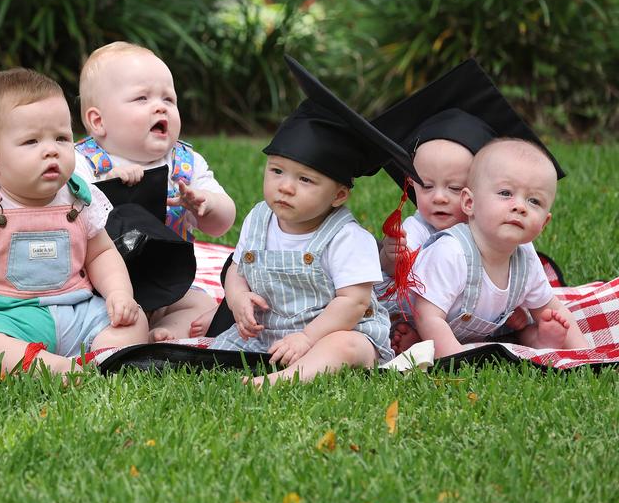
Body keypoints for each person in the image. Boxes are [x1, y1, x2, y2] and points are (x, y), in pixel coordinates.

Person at [0, 68, 147, 375]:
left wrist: (119, 294)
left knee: (135, 319)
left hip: (75, 310)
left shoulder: (79, 199)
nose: (51, 149)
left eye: (62, 138)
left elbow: (102, 253)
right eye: (31, 141)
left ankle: (103, 353)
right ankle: (50, 367)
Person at [210, 57, 407, 385]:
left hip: (337, 330)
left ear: (339, 195)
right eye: (276, 171)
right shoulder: (260, 218)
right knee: (219, 351)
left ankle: (287, 379)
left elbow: (354, 302)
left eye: (305, 180)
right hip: (271, 333)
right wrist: (238, 297)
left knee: (346, 346)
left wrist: (308, 337)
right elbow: (236, 268)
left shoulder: (346, 237)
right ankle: (279, 362)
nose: (285, 186)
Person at [371, 59, 568, 352]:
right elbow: (390, 275)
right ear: (411, 184)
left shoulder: (499, 233)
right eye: (427, 185)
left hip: (474, 316)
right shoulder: (420, 230)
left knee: (517, 320)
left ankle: (532, 336)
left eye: (454, 187)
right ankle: (416, 338)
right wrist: (391, 256)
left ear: (472, 194)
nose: (439, 198)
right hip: (425, 314)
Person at [74, 42, 236, 341]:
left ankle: (166, 331)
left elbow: (222, 223)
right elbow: (65, 215)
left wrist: (206, 204)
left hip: (167, 286)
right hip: (101, 289)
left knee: (200, 303)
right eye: (142, 98)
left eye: (169, 99)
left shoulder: (185, 164)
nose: (160, 106)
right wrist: (105, 184)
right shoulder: (82, 163)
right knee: (78, 310)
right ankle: (119, 334)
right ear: (98, 121)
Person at [408, 139, 585, 357]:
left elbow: (553, 308)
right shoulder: (451, 251)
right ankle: (413, 341)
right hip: (417, 322)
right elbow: (427, 315)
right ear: (469, 203)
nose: (519, 206)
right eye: (505, 193)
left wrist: (586, 353)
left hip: (483, 329)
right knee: (417, 334)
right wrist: (456, 357)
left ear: (544, 223)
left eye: (534, 201)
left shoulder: (526, 257)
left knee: (527, 325)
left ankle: (541, 340)